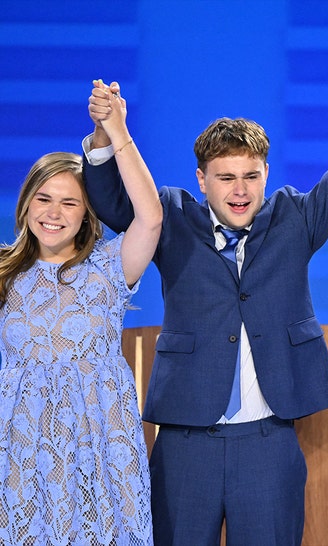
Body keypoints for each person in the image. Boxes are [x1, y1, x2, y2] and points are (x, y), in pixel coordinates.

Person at [82, 20, 328, 546]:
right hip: (187, 440)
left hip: (269, 442)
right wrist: (103, 137)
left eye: (251, 176)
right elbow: (113, 203)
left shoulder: (294, 217)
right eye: (226, 177)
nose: (240, 190)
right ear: (202, 180)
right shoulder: (170, 216)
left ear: (266, 173)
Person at [0, 79, 161, 544]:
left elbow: (149, 216)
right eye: (43, 198)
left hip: (99, 455)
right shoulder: (5, 273)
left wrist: (116, 132)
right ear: (26, 202)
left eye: (69, 201)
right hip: (19, 458)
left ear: (86, 213)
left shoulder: (109, 268)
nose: (54, 212)